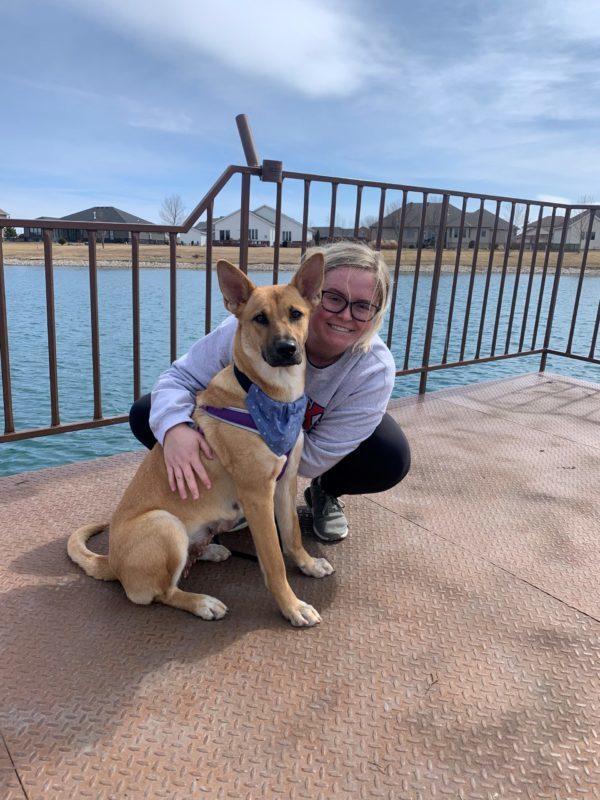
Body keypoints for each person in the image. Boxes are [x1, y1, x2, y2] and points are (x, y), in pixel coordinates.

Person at [129, 241, 411, 542]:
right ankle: (229, 499)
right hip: (246, 446)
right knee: (149, 413)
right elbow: (179, 377)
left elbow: (311, 460)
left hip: (297, 451)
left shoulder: (374, 370)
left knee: (390, 454)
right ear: (313, 293)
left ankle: (323, 492)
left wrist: (252, 464)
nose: (344, 315)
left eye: (362, 305)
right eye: (333, 298)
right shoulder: (250, 327)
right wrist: (175, 431)